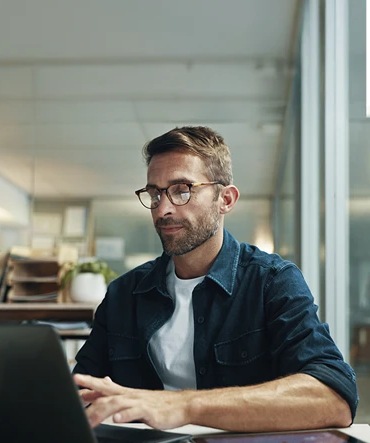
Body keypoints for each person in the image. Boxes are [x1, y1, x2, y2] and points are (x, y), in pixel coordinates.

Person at [72, 126, 358, 432]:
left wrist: (183, 405)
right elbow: (78, 393)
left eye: (182, 189)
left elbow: (334, 396)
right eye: (154, 193)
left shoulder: (272, 282)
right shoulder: (123, 294)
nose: (163, 208)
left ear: (226, 199)